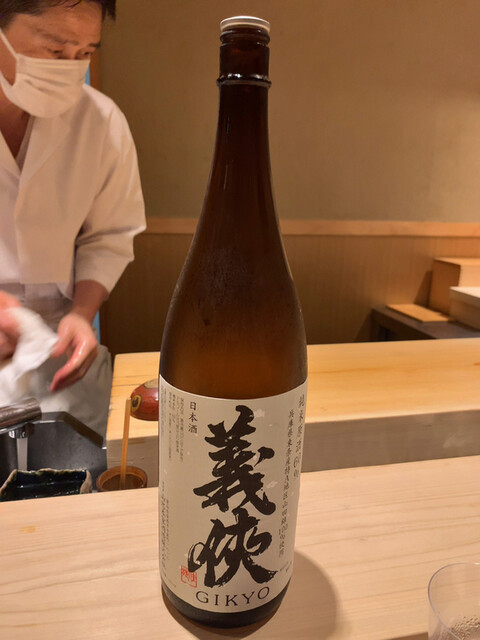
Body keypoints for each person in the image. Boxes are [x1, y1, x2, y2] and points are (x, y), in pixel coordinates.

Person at [0, 0, 146, 447]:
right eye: (55, 50)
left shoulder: (100, 122)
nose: (70, 68)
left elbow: (110, 236)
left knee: (80, 465)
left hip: (57, 341)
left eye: (84, 53)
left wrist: (83, 314)